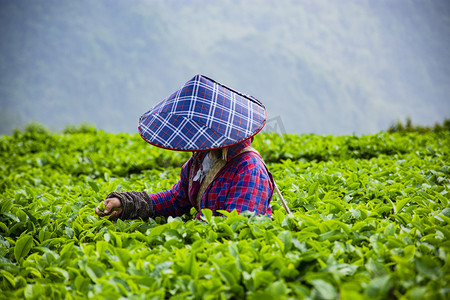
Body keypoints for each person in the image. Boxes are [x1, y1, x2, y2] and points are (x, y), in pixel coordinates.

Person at [95, 75, 275, 221]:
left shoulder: (250, 170)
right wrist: (127, 203)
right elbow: (175, 199)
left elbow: (239, 226)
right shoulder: (202, 158)